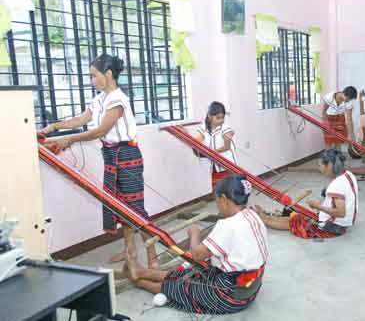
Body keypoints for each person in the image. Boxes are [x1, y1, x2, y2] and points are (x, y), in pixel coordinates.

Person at [40, 53, 158, 268]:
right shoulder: (100, 99)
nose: (92, 80)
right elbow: (82, 119)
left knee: (136, 209)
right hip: (111, 156)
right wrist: (56, 127)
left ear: (109, 74)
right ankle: (130, 253)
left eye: (94, 76)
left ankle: (153, 257)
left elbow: (101, 130)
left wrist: (69, 139)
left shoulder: (118, 99)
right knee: (119, 207)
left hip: (127, 156)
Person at [125, 175, 269, 315]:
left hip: (232, 296)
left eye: (217, 201)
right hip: (251, 288)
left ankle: (139, 282)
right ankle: (141, 272)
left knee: (182, 288)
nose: (217, 206)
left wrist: (195, 235)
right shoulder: (252, 215)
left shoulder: (228, 225)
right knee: (196, 274)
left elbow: (196, 256)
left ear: (224, 199)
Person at [257, 149, 358, 239]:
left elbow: (341, 212)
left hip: (334, 226)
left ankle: (260, 219)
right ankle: (264, 216)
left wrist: (317, 206)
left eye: (320, 165)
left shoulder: (336, 185)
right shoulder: (348, 174)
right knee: (299, 216)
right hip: (344, 222)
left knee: (293, 222)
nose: (320, 169)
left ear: (329, 165)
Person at [194, 101, 238, 188]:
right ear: (210, 117)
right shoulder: (203, 128)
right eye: (218, 118)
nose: (221, 120)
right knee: (217, 189)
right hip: (214, 165)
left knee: (229, 190)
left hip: (227, 164)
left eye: (223, 117)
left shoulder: (225, 129)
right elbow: (197, 144)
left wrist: (211, 152)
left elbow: (226, 147)